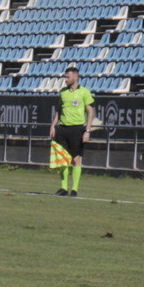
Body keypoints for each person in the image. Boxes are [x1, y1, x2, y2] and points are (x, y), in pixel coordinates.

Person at [50, 66, 95, 197]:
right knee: (62, 159)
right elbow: (59, 110)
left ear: (75, 77)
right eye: (65, 77)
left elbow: (90, 111)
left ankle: (74, 190)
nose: (65, 79)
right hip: (63, 128)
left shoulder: (84, 92)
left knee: (75, 159)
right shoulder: (63, 92)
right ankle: (63, 188)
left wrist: (87, 130)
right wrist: (53, 125)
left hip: (77, 129)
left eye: (67, 77)